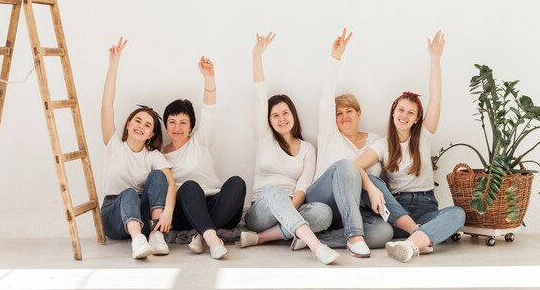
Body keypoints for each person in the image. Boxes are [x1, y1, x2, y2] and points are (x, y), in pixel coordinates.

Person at [355, 30, 466, 263]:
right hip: (397, 210)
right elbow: (354, 166)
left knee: (457, 214)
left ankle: (409, 244)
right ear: (393, 113)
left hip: (427, 208)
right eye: (401, 110)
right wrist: (372, 188)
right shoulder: (383, 145)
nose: (404, 115)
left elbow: (435, 99)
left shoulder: (423, 136)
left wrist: (435, 60)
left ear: (417, 119)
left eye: (411, 112)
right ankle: (420, 239)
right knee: (372, 180)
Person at [240, 32, 339, 265]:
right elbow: (259, 94)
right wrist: (257, 55)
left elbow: (302, 187)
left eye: (285, 113)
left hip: (292, 205)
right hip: (261, 210)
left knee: (324, 212)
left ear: (293, 115)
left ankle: (262, 238)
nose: (281, 118)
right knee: (273, 192)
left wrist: (289, 210)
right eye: (275, 115)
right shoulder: (264, 137)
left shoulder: (307, 149)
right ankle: (316, 245)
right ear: (269, 120)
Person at [304, 28, 394, 258]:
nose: (344, 116)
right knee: (347, 165)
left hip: (354, 208)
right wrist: (336, 58)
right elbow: (326, 97)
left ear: (359, 113)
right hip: (322, 199)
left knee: (384, 231)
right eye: (339, 113)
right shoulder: (330, 135)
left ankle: (318, 240)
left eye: (349, 111)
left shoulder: (375, 141)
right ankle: (354, 237)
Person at [162, 56, 246, 260]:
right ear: (166, 125)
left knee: (237, 182)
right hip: (186, 211)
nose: (177, 128)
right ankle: (213, 239)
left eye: (183, 122)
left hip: (218, 206)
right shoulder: (160, 155)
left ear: (191, 126)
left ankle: (202, 235)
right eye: (172, 122)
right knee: (190, 186)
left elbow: (209, 110)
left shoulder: (201, 140)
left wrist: (209, 78)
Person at [100, 37, 176, 259]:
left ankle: (155, 234)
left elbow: (171, 184)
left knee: (159, 177)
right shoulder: (114, 145)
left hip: (143, 216)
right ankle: (137, 241)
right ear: (128, 124)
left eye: (147, 125)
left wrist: (168, 212)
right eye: (137, 121)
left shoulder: (153, 156)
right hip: (114, 215)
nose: (141, 126)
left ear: (152, 134)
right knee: (129, 194)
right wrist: (113, 65)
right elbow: (106, 104)